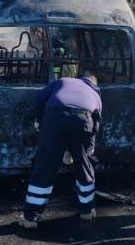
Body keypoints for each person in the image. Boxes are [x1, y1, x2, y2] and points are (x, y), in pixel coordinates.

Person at [19, 71, 103, 229]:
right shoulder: (96, 95)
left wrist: (38, 119)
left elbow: (39, 97)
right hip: (83, 120)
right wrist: (85, 152)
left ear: (80, 79)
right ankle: (86, 211)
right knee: (84, 168)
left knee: (44, 167)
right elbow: (96, 124)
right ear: (95, 84)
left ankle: (30, 219)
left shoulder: (64, 81)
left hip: (55, 118)